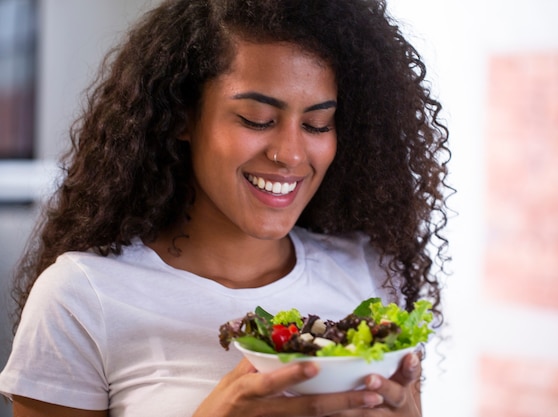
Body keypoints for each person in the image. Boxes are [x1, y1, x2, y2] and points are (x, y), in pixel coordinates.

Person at [0, 0, 451, 416]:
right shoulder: (82, 297)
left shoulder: (369, 272)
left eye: (317, 124)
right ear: (182, 117)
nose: (291, 154)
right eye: (257, 120)